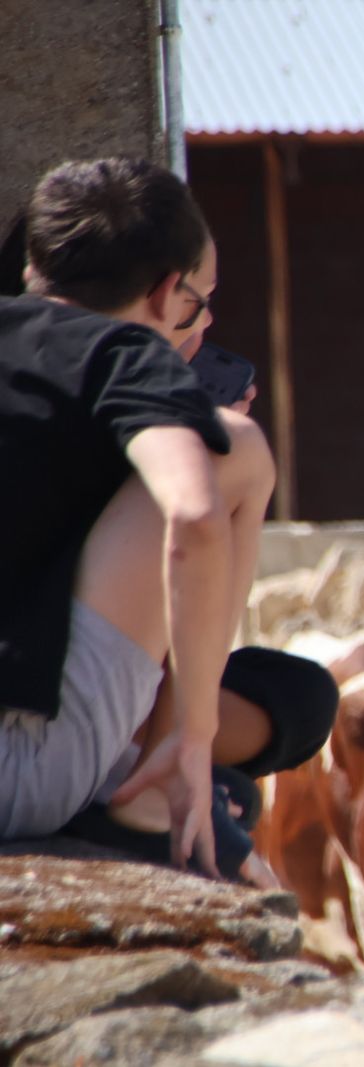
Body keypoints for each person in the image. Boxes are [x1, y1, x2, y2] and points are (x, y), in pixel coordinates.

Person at [0, 157, 281, 881]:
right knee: (236, 448)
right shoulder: (125, 355)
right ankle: (158, 792)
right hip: (19, 775)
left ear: (34, 263)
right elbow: (194, 513)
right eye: (197, 302)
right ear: (165, 293)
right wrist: (195, 736)